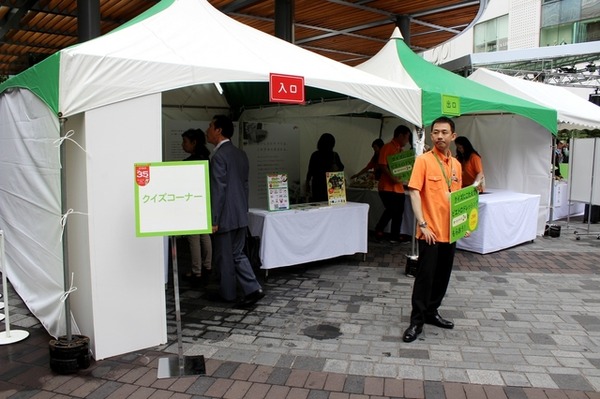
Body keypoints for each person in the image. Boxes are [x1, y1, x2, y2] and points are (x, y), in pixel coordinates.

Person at [403, 116, 469, 343]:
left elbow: (458, 199)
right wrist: (422, 224)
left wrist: (463, 225)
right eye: (436, 132)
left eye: (444, 132)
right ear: (431, 136)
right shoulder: (423, 161)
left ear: (453, 136)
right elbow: (414, 192)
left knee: (442, 277)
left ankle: (432, 312)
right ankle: (416, 321)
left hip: (450, 232)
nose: (440, 136)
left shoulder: (457, 165)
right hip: (430, 232)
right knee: (425, 278)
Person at [206, 115, 264, 306]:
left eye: (210, 126)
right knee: (236, 254)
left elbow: (218, 190)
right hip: (239, 214)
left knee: (225, 256)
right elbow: (244, 186)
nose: (208, 130)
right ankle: (245, 289)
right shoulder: (241, 154)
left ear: (218, 130)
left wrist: (214, 219)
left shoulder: (218, 156)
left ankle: (237, 292)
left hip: (224, 216)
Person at [181, 129, 213, 283]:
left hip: (192, 203)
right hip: (204, 202)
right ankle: (207, 267)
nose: (183, 145)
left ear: (194, 143)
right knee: (204, 235)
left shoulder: (189, 162)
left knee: (193, 237)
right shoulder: (207, 158)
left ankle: (196, 271)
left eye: (185, 141)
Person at [374, 125, 412, 243]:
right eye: (407, 137)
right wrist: (392, 177)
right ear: (400, 135)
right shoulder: (387, 147)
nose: (407, 140)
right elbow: (382, 164)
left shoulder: (401, 150)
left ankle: (394, 236)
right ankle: (379, 230)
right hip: (387, 187)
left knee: (398, 212)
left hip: (398, 188)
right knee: (391, 210)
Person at [305, 133, 344, 202]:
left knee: (318, 205)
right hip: (333, 184)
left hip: (318, 184)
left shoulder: (315, 155)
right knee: (333, 206)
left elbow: (310, 171)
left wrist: (307, 183)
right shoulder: (334, 155)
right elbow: (341, 168)